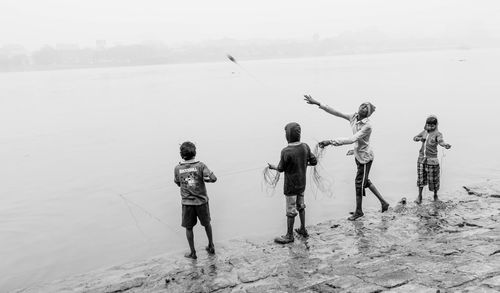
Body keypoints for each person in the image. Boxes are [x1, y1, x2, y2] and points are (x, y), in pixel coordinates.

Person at [304, 95, 389, 221]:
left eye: (366, 108)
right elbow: (336, 112)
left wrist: (330, 141)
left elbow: (352, 139)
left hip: (365, 158)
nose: (363, 107)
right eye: (363, 105)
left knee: (359, 183)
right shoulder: (353, 117)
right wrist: (317, 103)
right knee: (364, 181)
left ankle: (359, 211)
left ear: (368, 114)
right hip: (358, 154)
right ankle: (384, 203)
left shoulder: (368, 126)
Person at [268, 122, 318, 244]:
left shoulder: (286, 151)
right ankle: (303, 229)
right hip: (302, 184)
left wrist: (273, 167)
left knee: (291, 210)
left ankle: (289, 235)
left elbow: (280, 168)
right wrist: (304, 164)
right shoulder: (305, 146)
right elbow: (314, 161)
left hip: (290, 186)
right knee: (301, 205)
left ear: (288, 135)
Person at [174, 141, 217, 259]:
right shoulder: (201, 166)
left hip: (187, 203)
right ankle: (211, 245)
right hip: (202, 202)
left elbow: (178, 183)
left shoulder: (178, 168)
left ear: (181, 155)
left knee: (189, 228)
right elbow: (213, 178)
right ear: (195, 153)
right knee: (207, 224)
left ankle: (193, 253)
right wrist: (207, 180)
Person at [413, 115, 451, 204]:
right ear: (426, 125)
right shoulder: (424, 132)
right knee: (421, 178)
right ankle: (419, 196)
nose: (430, 127)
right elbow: (414, 138)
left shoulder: (438, 134)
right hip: (422, 159)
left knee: (434, 180)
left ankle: (435, 196)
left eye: (432, 125)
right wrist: (420, 139)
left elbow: (441, 141)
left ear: (436, 125)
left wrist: (445, 145)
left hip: (432, 160)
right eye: (428, 125)